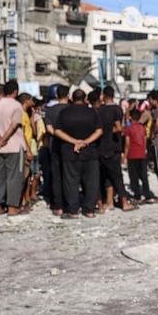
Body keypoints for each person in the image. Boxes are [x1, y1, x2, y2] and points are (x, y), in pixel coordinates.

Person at [53, 89, 103, 219]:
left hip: (69, 152)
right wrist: (85, 142)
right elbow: (99, 131)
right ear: (85, 98)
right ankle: (89, 210)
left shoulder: (64, 113)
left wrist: (74, 141)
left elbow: (57, 131)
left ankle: (73, 211)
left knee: (71, 182)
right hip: (90, 152)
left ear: (71, 98)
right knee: (91, 182)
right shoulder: (92, 112)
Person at [0, 80, 28, 217]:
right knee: (15, 177)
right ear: (15, 92)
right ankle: (12, 207)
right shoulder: (17, 106)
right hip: (15, 146)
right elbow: (14, 126)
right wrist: (4, 140)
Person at [97, 86, 133, 212]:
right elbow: (119, 127)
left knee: (106, 176)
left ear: (104, 96)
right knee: (117, 176)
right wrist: (110, 131)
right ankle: (124, 202)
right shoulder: (117, 109)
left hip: (101, 147)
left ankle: (109, 202)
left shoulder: (99, 110)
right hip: (113, 147)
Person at [43, 85, 70, 215]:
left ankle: (58, 206)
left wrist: (58, 134)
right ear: (68, 95)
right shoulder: (71, 109)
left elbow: (48, 129)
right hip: (70, 146)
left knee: (56, 176)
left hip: (54, 146)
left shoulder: (50, 110)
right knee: (70, 176)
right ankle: (70, 204)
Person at [123, 109, 156, 203]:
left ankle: (137, 196)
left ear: (130, 117)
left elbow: (127, 144)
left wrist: (125, 156)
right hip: (142, 154)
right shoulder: (143, 128)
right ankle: (147, 195)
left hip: (132, 154)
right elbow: (145, 141)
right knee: (144, 176)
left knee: (134, 177)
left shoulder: (129, 128)